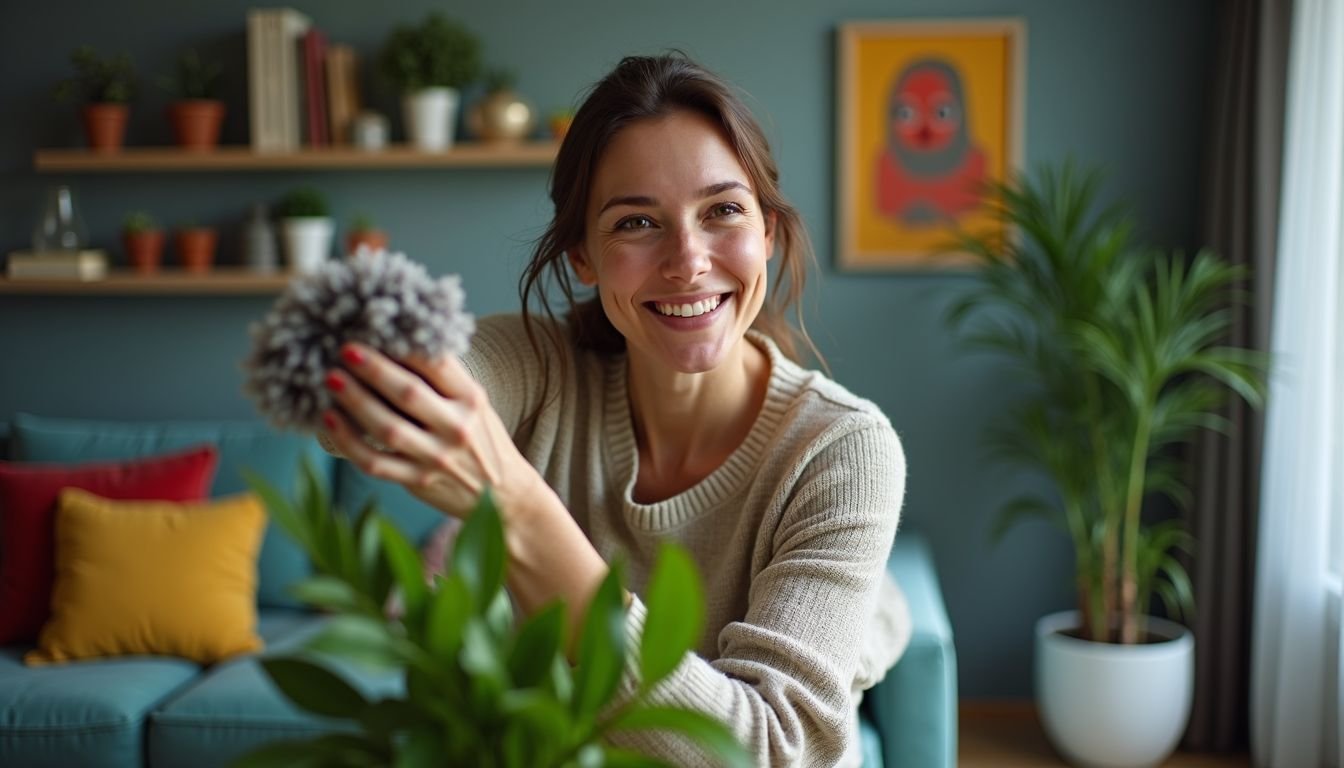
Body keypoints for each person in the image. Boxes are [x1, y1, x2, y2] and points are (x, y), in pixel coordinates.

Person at [319, 52, 910, 767]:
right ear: (583, 258)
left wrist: (519, 511)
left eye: (723, 210)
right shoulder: (541, 363)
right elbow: (395, 402)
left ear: (770, 233)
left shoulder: (842, 449)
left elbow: (772, 752)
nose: (688, 260)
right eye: (636, 223)